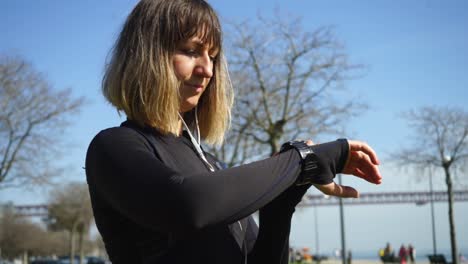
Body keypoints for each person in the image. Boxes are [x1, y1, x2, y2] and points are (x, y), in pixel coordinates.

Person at [85, 0, 382, 263]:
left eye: (212, 55)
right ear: (146, 55)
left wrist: (282, 201)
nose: (208, 69)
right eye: (191, 51)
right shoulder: (113, 147)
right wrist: (302, 161)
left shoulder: (211, 165)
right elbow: (189, 205)